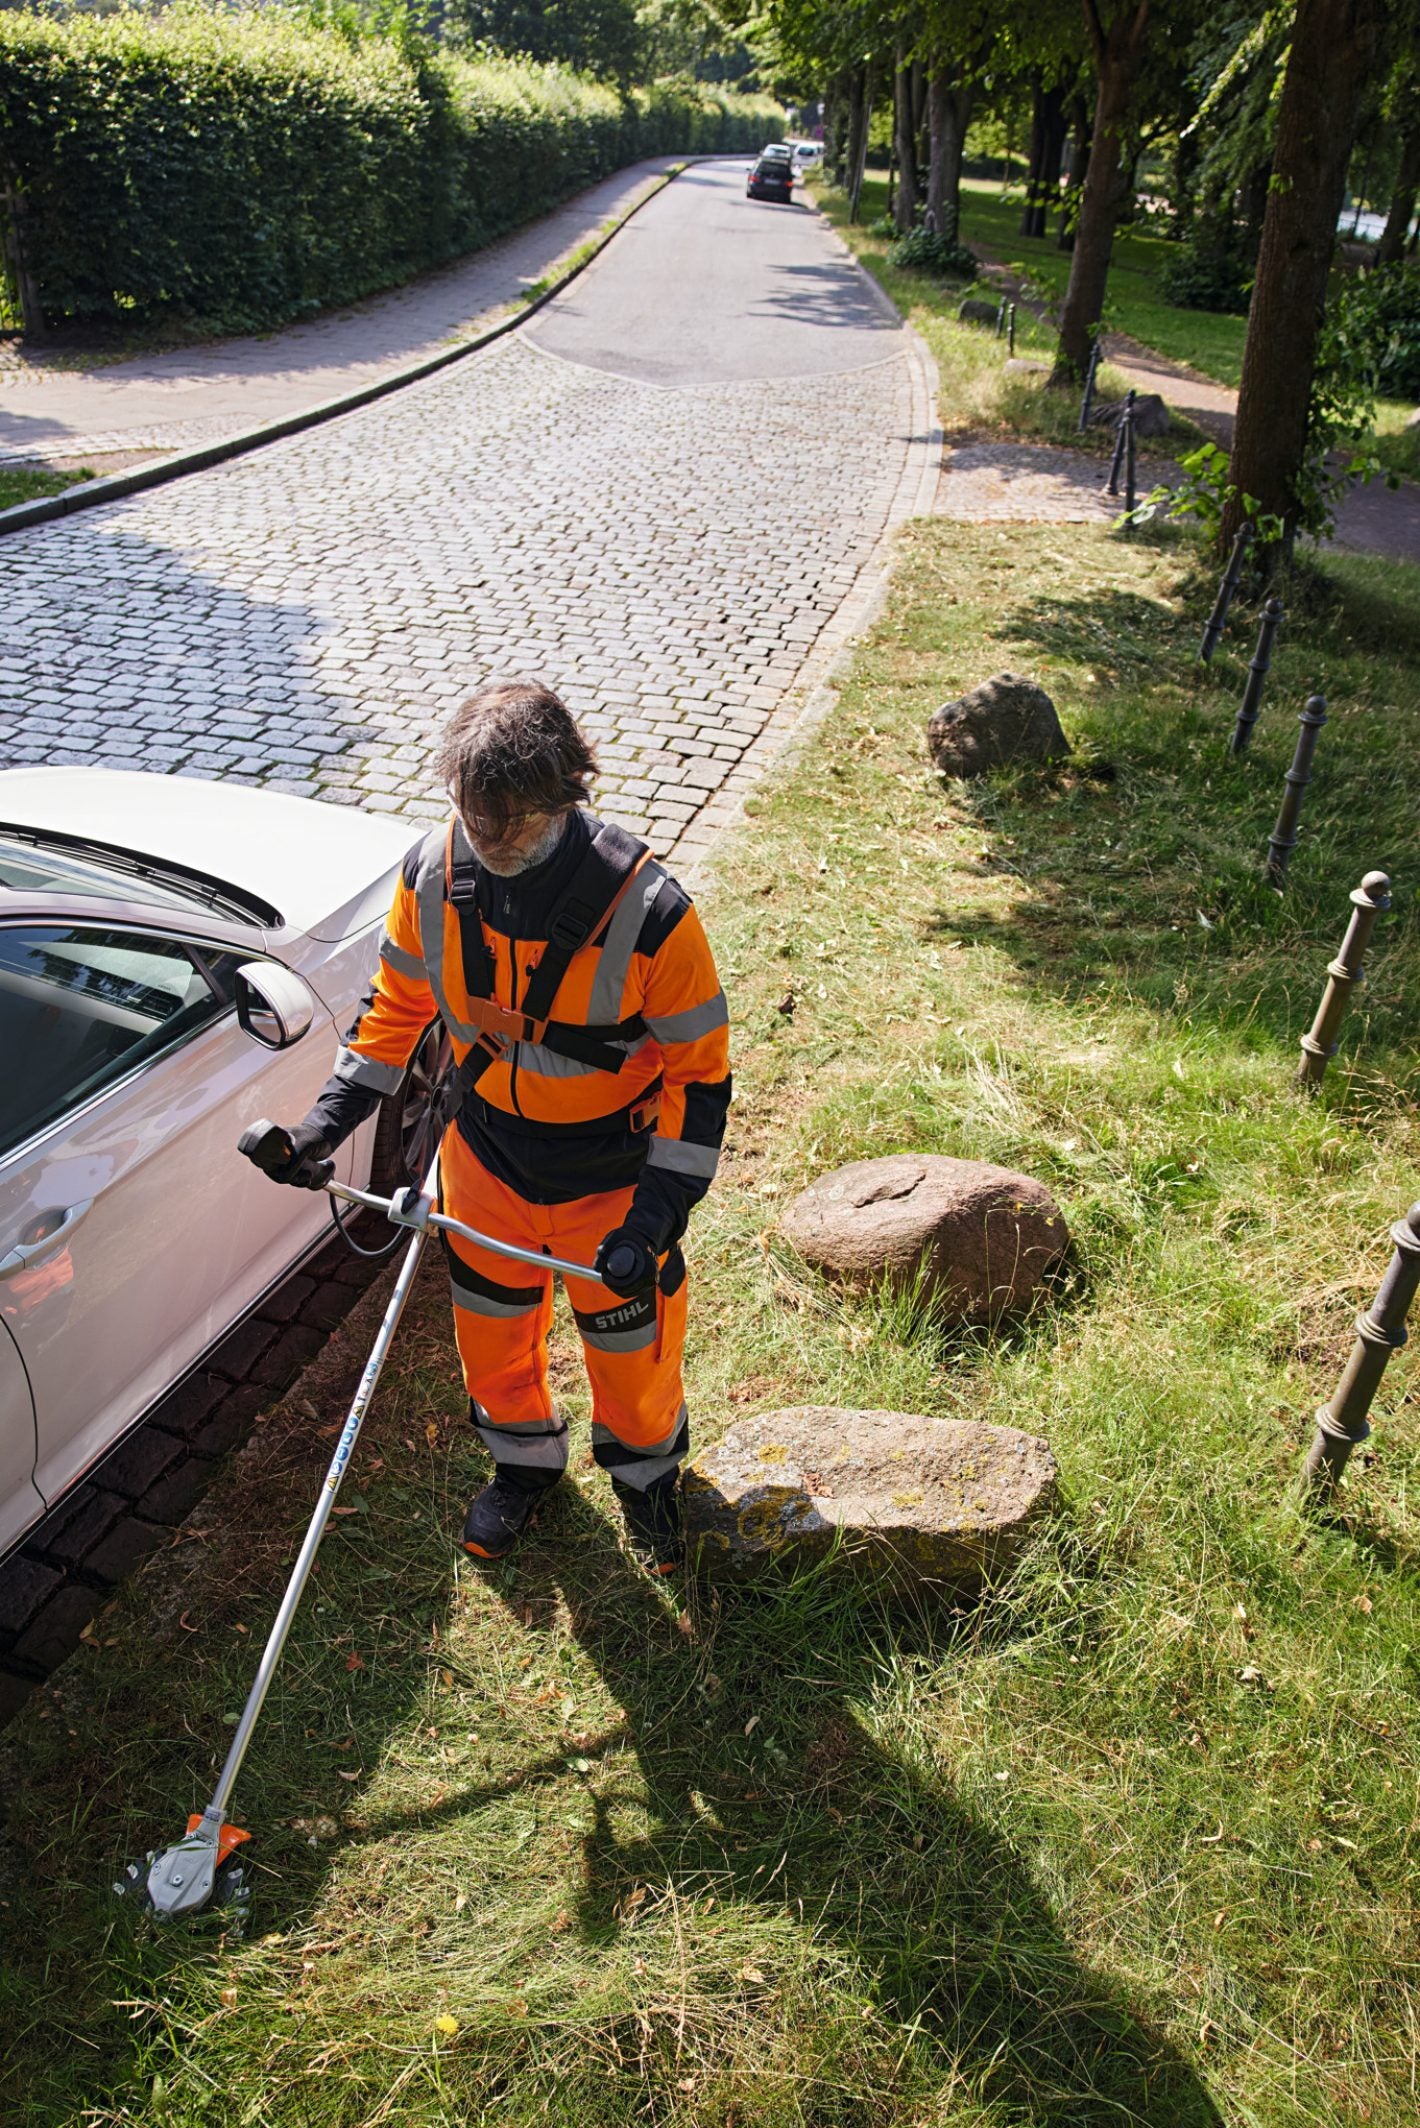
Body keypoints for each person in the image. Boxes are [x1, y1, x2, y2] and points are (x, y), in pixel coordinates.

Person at [244, 681, 731, 1575]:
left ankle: (647, 1478)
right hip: (487, 1164)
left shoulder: (655, 916)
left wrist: (655, 1220)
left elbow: (699, 1082)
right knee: (492, 1333)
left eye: (513, 822)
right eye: (476, 817)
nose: (493, 840)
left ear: (567, 795)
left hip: (613, 1176)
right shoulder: (432, 876)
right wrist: (322, 1128)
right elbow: (395, 1011)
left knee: (631, 1347)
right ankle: (522, 1463)